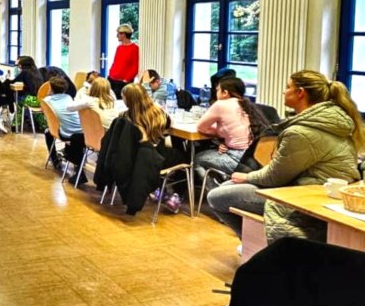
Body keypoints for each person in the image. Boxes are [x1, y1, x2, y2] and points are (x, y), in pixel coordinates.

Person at [207, 70, 363, 242]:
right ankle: (254, 245)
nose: (283, 91)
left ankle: (256, 245)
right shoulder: (331, 121)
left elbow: (275, 177)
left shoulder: (301, 132)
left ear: (300, 93)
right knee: (228, 185)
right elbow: (283, 169)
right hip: (315, 189)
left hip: (306, 197)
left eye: (288, 87)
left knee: (216, 197)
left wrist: (247, 176)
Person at [95, 83, 172, 214]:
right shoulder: (160, 114)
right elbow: (167, 131)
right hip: (152, 157)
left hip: (129, 159)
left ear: (128, 100)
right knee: (179, 154)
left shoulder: (124, 118)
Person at [194, 77, 270, 188]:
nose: (216, 93)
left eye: (217, 90)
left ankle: (214, 193)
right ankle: (223, 183)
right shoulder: (247, 105)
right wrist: (224, 138)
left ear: (225, 93)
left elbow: (201, 127)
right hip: (254, 157)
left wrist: (219, 133)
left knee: (197, 159)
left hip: (237, 158)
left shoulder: (220, 105)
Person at [42, 77, 85, 180]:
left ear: (51, 88)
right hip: (82, 132)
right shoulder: (68, 97)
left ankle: (54, 159)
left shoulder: (46, 101)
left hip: (65, 134)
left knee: (48, 132)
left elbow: (48, 119)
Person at [108, 23, 139, 98]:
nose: (117, 36)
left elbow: (135, 66)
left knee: (119, 101)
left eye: (118, 34)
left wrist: (126, 79)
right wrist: (111, 73)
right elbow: (115, 62)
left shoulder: (134, 48)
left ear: (124, 34)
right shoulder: (119, 47)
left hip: (123, 82)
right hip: (112, 78)